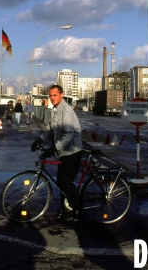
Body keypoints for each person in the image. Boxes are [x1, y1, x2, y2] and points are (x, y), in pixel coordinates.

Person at [31, 85, 83, 221]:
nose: (52, 98)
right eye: (50, 95)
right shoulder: (55, 111)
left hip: (72, 151)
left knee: (65, 182)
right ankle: (66, 210)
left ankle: (77, 209)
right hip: (64, 152)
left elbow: (69, 134)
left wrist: (54, 148)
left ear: (62, 95)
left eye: (55, 95)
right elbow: (50, 131)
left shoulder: (66, 111)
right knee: (61, 182)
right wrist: (39, 140)